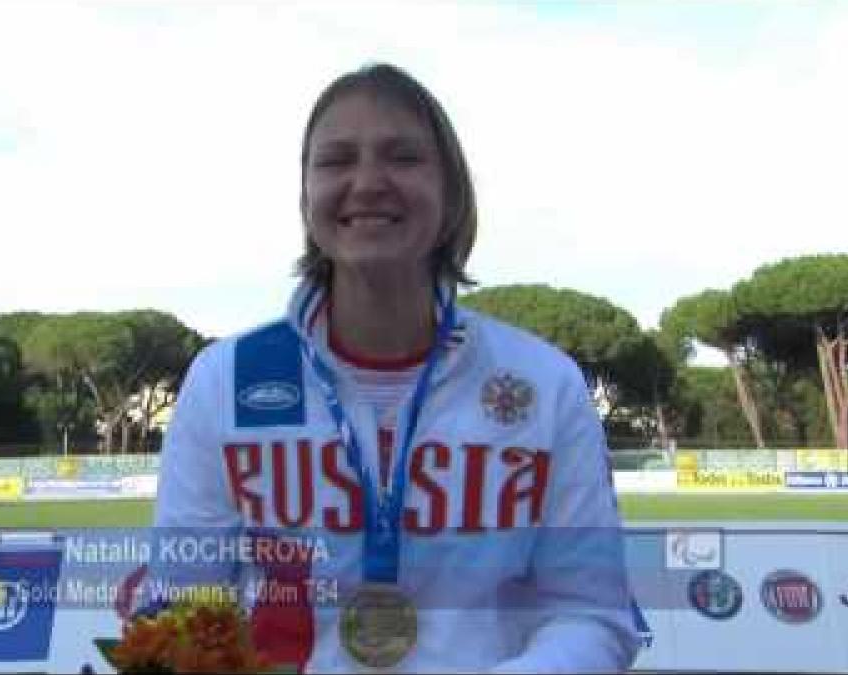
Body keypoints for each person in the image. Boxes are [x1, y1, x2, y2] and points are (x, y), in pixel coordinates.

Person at [153, 62, 639, 673]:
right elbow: (184, 605)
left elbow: (592, 616)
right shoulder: (223, 381)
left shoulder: (546, 384)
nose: (368, 182)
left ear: (452, 193)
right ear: (306, 198)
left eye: (403, 157)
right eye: (336, 160)